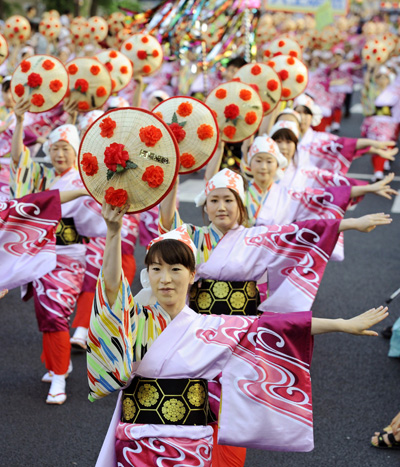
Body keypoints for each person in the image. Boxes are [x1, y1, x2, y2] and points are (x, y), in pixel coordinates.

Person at [87, 200, 389, 467]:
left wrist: (341, 323)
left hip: (190, 445)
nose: (165, 279)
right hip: (136, 442)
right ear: (147, 275)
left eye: (176, 270)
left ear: (193, 275)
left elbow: (274, 327)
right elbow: (112, 289)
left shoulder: (210, 327)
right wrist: (113, 233)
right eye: (156, 270)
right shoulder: (136, 321)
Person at [9, 98, 108, 405]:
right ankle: (54, 364)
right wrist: (21, 121)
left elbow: (93, 223)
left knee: (54, 312)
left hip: (69, 258)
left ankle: (60, 377)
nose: (61, 153)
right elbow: (18, 163)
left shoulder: (82, 180)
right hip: (41, 255)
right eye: (56, 148)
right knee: (45, 312)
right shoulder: (44, 176)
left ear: (77, 152)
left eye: (66, 148)